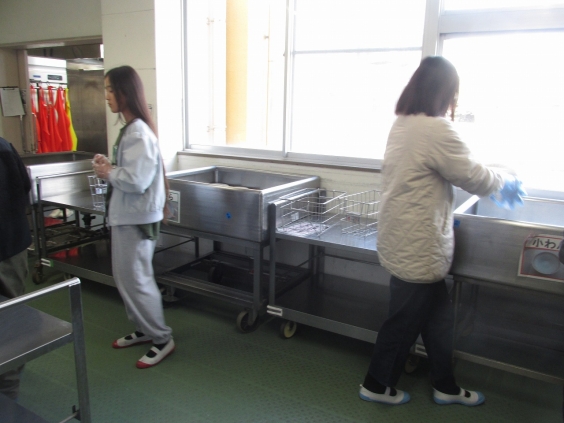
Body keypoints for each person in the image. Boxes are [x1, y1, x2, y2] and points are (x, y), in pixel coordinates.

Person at [359, 56, 524, 406]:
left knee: (438, 320)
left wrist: (494, 173)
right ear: (444, 92)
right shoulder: (435, 130)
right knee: (402, 323)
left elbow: (459, 165)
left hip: (403, 238)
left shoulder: (404, 124)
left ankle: (445, 386)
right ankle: (376, 385)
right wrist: (504, 180)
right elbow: (474, 177)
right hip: (418, 246)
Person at [93, 65, 174, 369]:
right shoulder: (131, 129)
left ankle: (162, 338)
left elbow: (137, 180)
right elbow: (132, 172)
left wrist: (109, 172)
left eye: (110, 89)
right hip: (128, 217)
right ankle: (144, 328)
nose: (107, 96)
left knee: (137, 280)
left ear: (125, 92)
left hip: (136, 220)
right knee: (126, 278)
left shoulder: (138, 131)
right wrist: (110, 167)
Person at [0, 136, 32, 399]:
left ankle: (8, 395)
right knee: (11, 315)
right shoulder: (5, 147)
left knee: (6, 326)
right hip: (15, 246)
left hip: (6, 249)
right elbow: (25, 187)